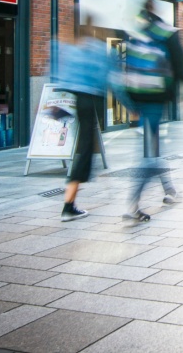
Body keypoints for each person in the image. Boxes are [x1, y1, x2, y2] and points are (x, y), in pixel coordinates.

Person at [123, 0, 183, 222]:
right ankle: (132, 205)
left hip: (138, 97)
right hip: (156, 98)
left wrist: (131, 102)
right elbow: (181, 67)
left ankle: (170, 191)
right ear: (156, 9)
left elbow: (128, 68)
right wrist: (180, 94)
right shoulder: (166, 32)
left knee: (153, 145)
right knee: (149, 153)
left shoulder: (137, 33)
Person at [55, 19, 108, 222]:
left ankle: (70, 203)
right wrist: (129, 104)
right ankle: (68, 206)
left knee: (84, 150)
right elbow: (108, 78)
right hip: (90, 101)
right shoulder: (96, 49)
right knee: (84, 151)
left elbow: (61, 75)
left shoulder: (70, 48)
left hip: (75, 101)